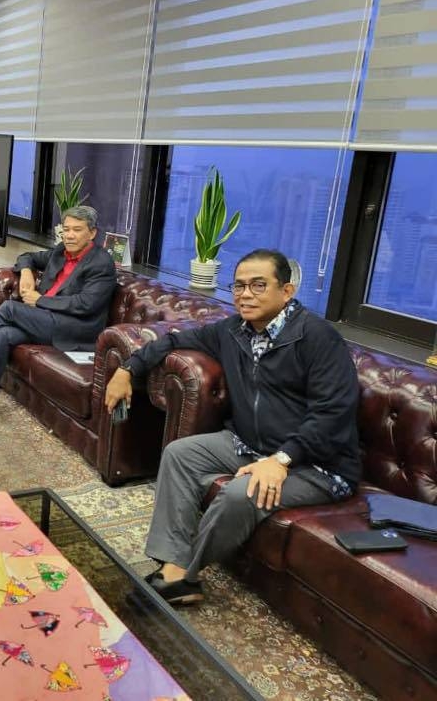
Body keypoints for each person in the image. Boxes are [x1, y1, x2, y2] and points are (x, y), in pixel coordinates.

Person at [104, 249, 360, 605]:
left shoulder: (318, 338)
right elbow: (173, 340)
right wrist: (128, 369)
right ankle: (174, 568)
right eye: (239, 286)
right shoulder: (233, 330)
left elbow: (333, 414)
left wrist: (281, 460)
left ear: (287, 291)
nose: (246, 294)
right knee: (180, 454)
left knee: (240, 495)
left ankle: (183, 575)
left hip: (317, 464)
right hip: (250, 445)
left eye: (259, 285)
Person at [0, 205, 117, 421]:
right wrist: (25, 272)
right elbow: (27, 256)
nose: (69, 235)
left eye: (77, 230)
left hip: (75, 329)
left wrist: (40, 299)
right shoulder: (61, 251)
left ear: (92, 233)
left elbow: (86, 304)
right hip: (45, 320)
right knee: (4, 334)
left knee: (9, 308)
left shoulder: (102, 263)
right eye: (66, 229)